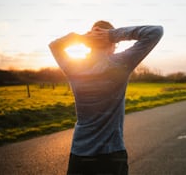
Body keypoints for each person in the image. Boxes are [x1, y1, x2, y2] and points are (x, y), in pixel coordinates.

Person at [49, 21, 163, 175]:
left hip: (79, 154)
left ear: (90, 44)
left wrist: (82, 38)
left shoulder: (74, 67)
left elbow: (54, 45)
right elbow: (155, 31)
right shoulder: (119, 63)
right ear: (112, 44)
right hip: (111, 156)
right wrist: (113, 35)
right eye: (115, 45)